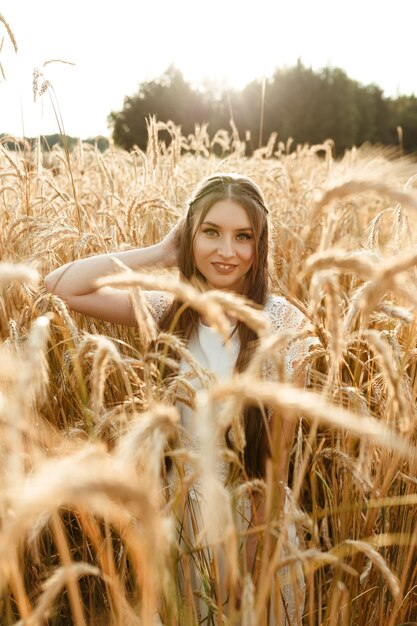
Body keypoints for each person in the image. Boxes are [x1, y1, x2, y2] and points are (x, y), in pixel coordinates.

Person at [44, 172, 311, 625]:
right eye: (211, 233)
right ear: (189, 234)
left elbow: (277, 461)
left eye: (242, 237)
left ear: (259, 244)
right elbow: (61, 285)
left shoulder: (285, 324)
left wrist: (251, 560)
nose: (227, 251)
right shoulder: (165, 308)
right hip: (179, 513)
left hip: (251, 519)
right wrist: (161, 254)